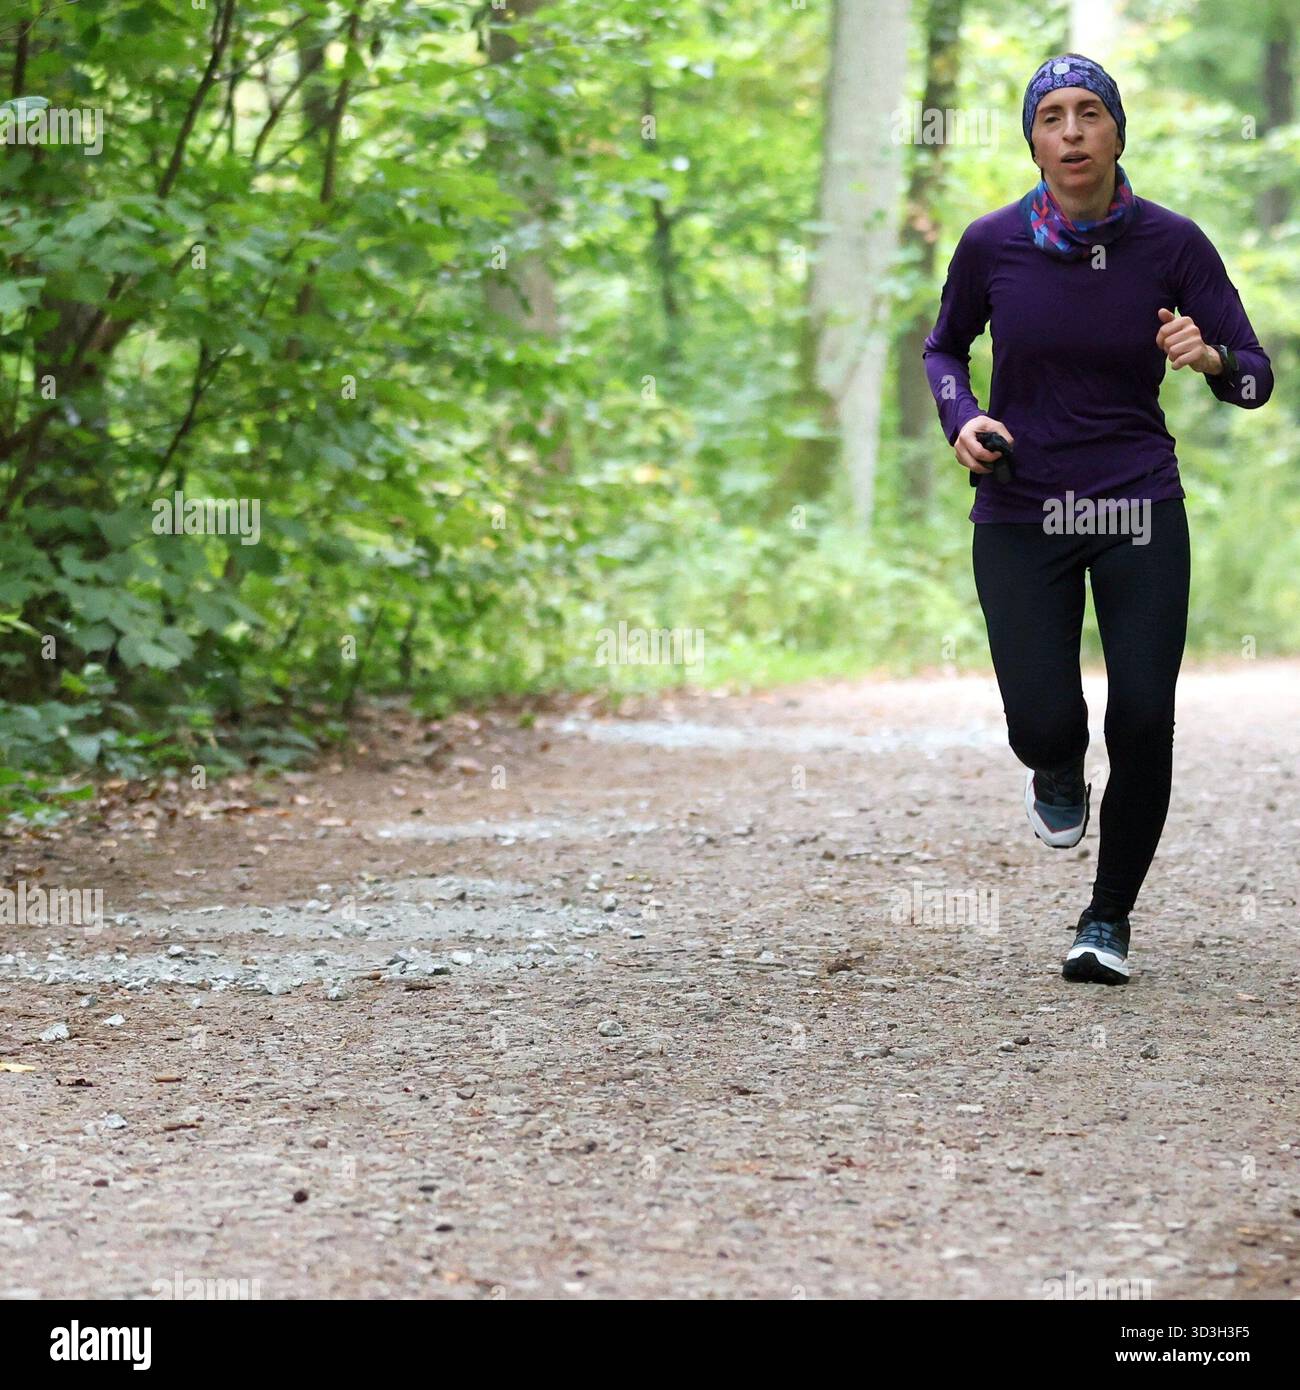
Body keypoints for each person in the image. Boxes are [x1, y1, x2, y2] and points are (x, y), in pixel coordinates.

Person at [922, 53, 1273, 985]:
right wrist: (965, 420)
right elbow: (944, 349)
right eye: (1052, 117)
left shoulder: (1174, 245)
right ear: (1032, 138)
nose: (1072, 132)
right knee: (1043, 717)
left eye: (1090, 114)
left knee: (1146, 717)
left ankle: (1106, 918)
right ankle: (1054, 765)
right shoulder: (991, 244)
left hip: (1136, 503)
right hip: (1020, 503)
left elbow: (1255, 377)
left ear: (1118, 131)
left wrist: (1207, 357)